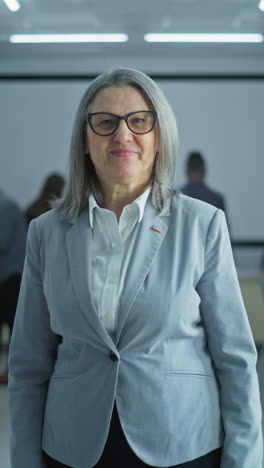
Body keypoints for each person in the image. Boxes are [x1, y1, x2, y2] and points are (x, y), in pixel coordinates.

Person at [8, 68, 263, 468]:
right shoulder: (46, 233)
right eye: (105, 122)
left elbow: (235, 361)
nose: (122, 135)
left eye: (139, 121)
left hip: (182, 443)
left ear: (159, 138)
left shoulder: (202, 224)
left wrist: (244, 460)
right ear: (85, 141)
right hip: (73, 446)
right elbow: (27, 366)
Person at [0, 188, 27, 384]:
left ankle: (10, 371)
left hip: (11, 275)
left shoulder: (5, 207)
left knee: (12, 325)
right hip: (12, 274)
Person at [180, 151, 230, 230]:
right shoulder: (217, 199)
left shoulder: (175, 198)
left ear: (187, 171)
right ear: (204, 171)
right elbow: (224, 234)